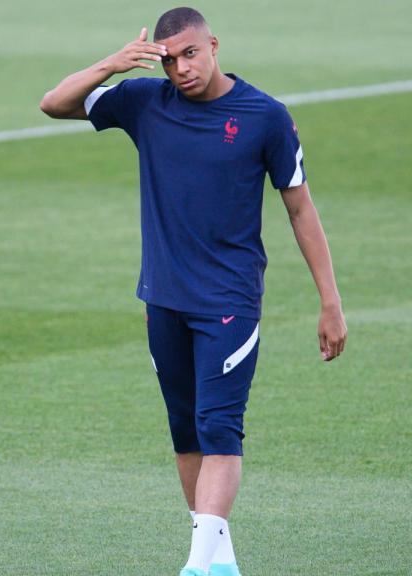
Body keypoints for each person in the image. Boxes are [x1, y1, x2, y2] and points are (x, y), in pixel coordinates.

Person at [40, 7, 346, 575]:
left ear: (214, 46)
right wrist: (113, 64)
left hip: (229, 302)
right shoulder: (143, 103)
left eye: (190, 54)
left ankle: (196, 566)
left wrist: (330, 302)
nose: (181, 69)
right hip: (162, 297)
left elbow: (300, 208)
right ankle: (220, 563)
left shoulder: (265, 117)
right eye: (169, 59)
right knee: (186, 434)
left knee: (219, 429)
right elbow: (54, 103)